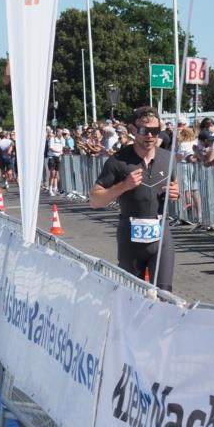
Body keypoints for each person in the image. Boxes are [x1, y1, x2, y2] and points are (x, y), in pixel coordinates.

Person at [89, 106, 180, 291]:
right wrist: (124, 186)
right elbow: (94, 200)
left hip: (161, 237)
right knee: (131, 295)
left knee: (164, 295)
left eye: (155, 131)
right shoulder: (118, 161)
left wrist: (176, 193)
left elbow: (175, 187)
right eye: (144, 131)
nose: (150, 136)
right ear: (132, 130)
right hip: (130, 238)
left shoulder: (168, 158)